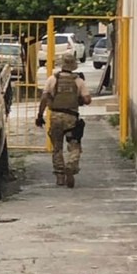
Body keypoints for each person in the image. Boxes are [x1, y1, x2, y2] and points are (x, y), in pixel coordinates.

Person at [36, 52, 91, 189]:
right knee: (74, 144)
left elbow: (44, 98)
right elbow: (87, 100)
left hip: (55, 116)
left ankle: (60, 176)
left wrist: (39, 115)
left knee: (57, 147)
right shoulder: (78, 81)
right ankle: (71, 166)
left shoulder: (52, 79)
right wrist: (79, 99)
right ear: (73, 65)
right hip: (71, 117)